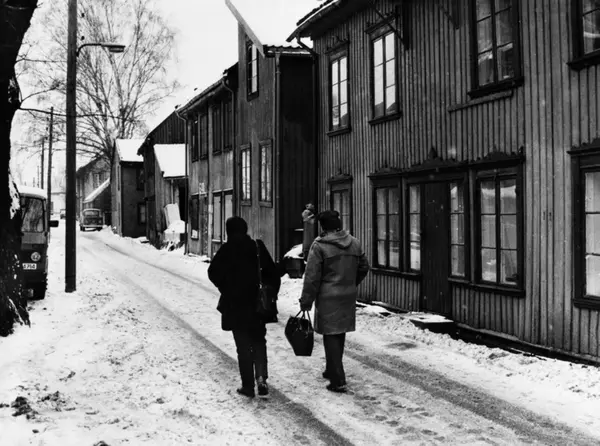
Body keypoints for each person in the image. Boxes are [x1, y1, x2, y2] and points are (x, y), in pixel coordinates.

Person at [208, 216, 281, 398]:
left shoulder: (227, 250)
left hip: (235, 306)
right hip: (257, 305)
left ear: (228, 231)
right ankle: (261, 378)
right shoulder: (257, 247)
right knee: (258, 341)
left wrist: (226, 288)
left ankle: (248, 386)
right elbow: (273, 274)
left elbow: (213, 272)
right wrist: (269, 294)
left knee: (243, 347)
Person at [299, 210, 370, 393]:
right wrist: (350, 283)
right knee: (339, 333)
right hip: (347, 295)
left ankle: (338, 379)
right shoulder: (354, 243)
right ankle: (331, 368)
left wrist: (306, 300)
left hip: (328, 296)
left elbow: (312, 277)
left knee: (330, 335)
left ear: (323, 226)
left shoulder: (320, 246)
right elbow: (364, 266)